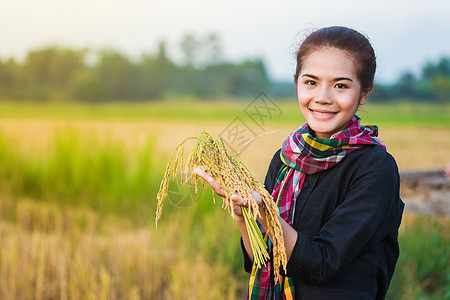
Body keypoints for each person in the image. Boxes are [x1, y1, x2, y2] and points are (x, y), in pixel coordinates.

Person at [194, 26, 404, 300]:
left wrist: (266, 212)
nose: (322, 98)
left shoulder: (375, 168)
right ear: (296, 83)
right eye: (311, 82)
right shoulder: (284, 158)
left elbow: (322, 262)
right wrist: (244, 214)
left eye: (340, 85)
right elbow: (260, 258)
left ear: (364, 92)